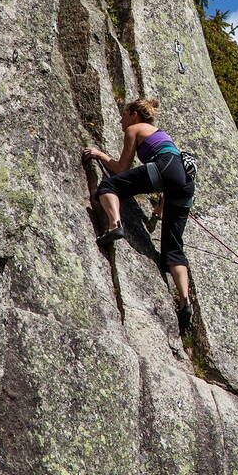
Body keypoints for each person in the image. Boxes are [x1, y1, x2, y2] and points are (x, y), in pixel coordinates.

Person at [82, 98, 195, 324]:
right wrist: (160, 210)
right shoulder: (162, 135)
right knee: (173, 248)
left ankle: (115, 225)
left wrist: (99, 155)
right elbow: (172, 175)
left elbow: (121, 168)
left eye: (124, 115)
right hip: (185, 180)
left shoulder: (134, 128)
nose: (121, 120)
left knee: (109, 186)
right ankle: (184, 301)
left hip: (164, 169)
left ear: (134, 114)